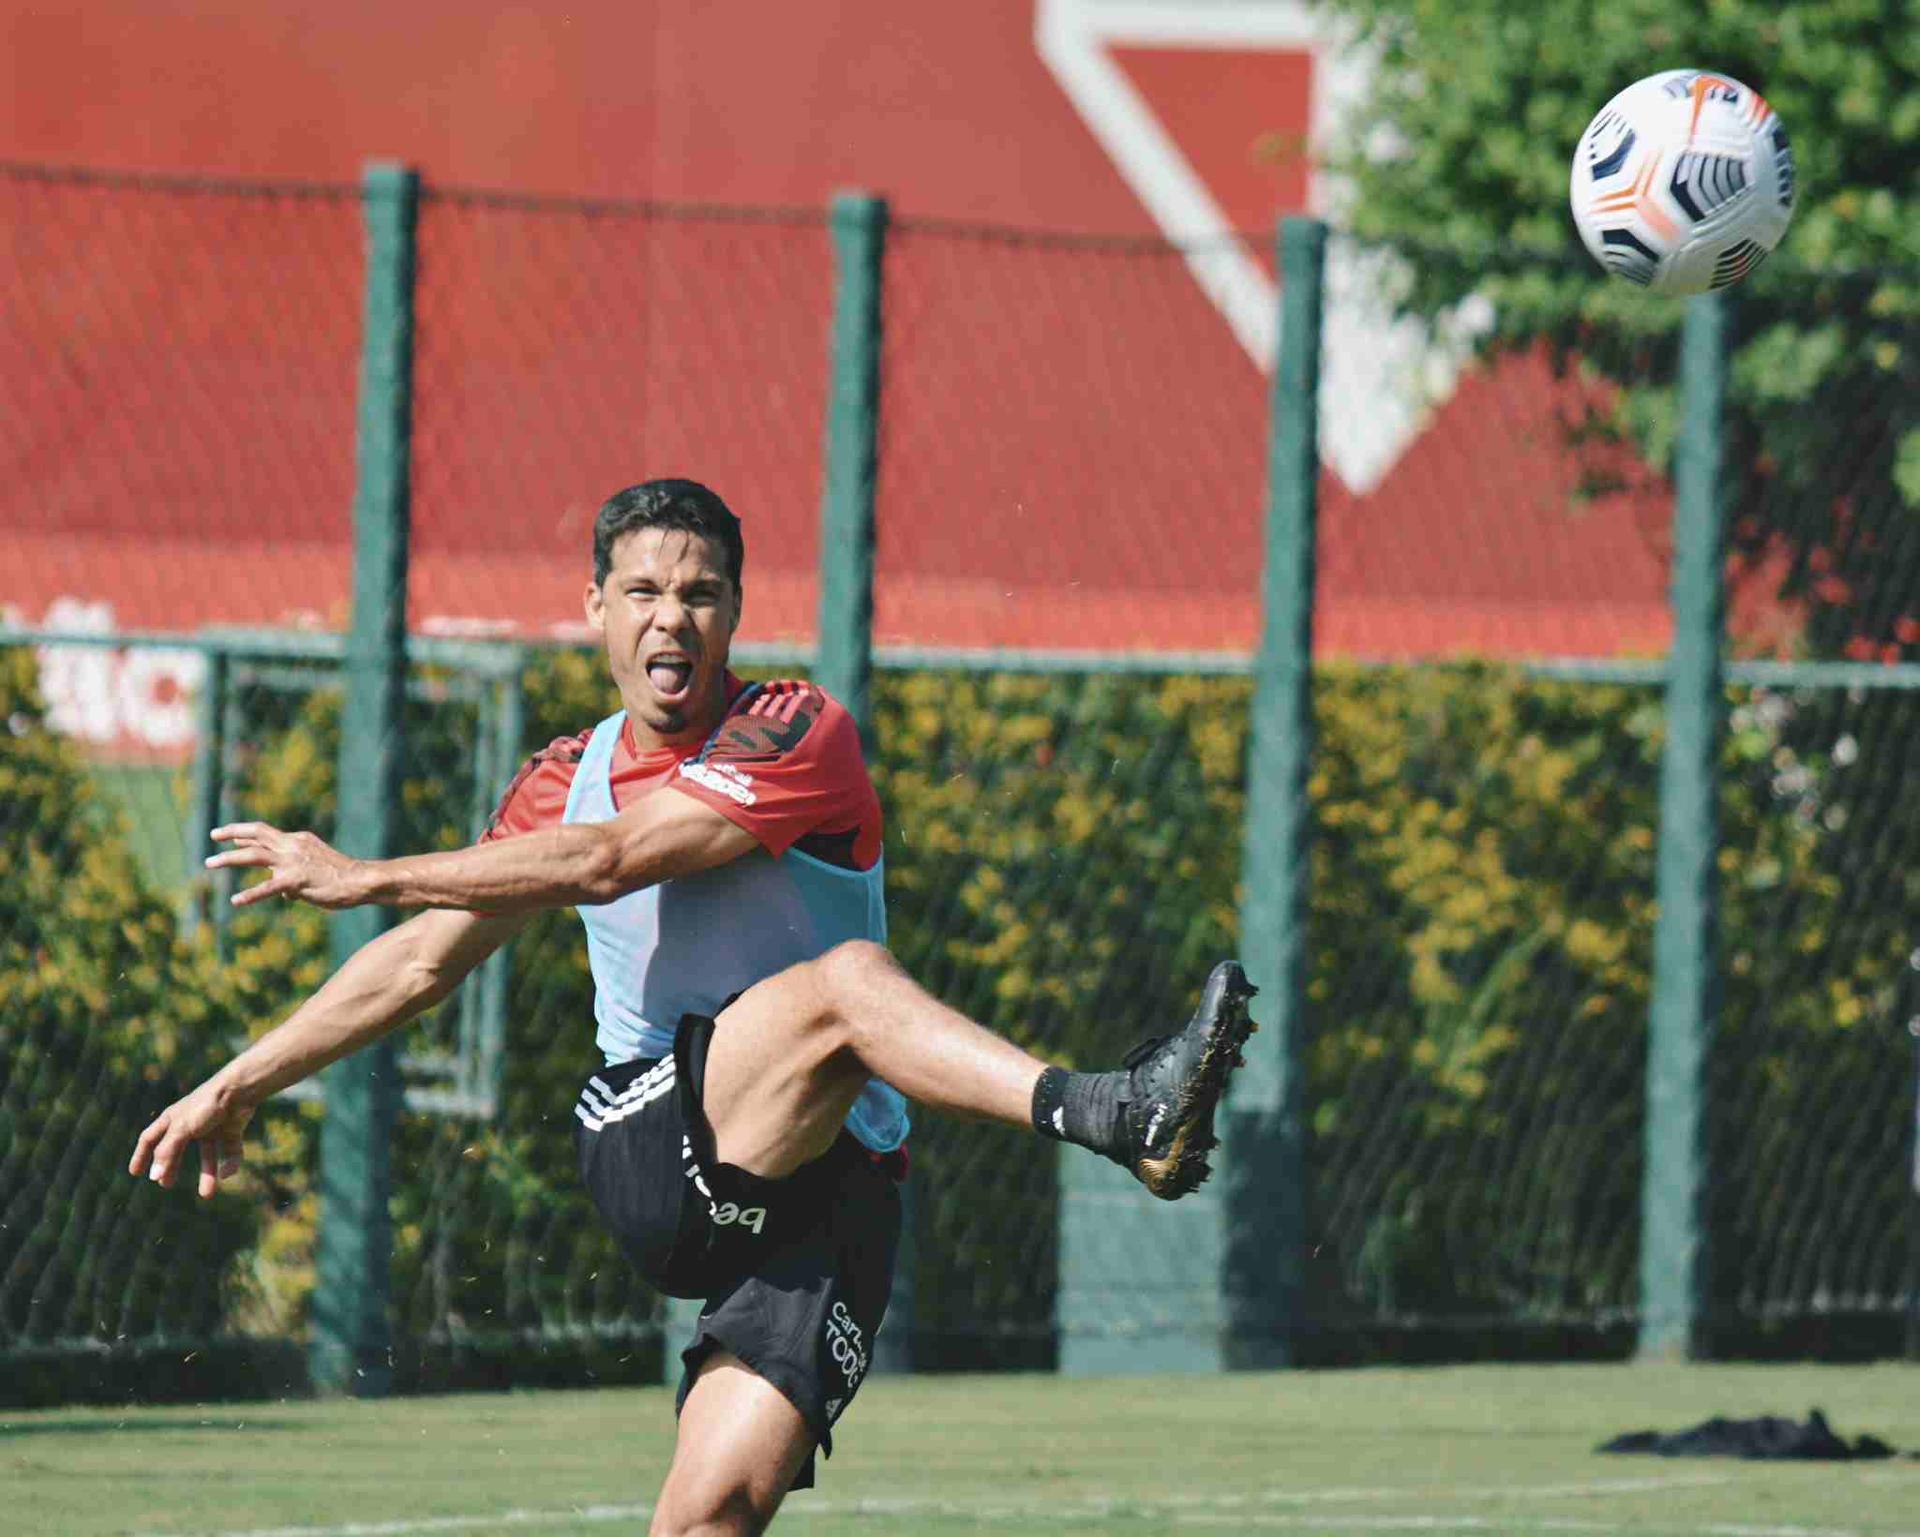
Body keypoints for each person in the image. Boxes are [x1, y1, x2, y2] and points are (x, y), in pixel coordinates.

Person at [129, 479, 1257, 1537]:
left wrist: (367, 870)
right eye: (644, 592)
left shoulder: (793, 731)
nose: (672, 619)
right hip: (653, 1142)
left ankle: (1125, 1118)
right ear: (595, 609)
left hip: (836, 1195)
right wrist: (238, 1079)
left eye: (700, 594)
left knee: (707, 1515)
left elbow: (617, 858)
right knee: (848, 987)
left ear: (735, 612)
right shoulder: (561, 780)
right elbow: (421, 963)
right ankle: (1115, 1113)